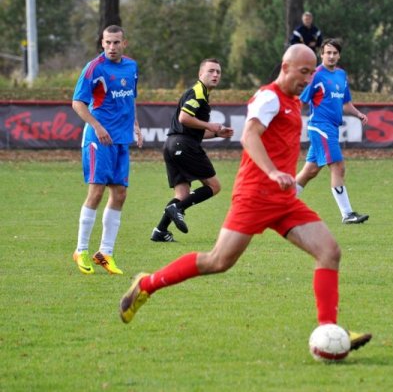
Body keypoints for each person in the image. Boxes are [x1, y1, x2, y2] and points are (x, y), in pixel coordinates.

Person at [119, 44, 372, 353]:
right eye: (303, 72)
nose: (308, 79)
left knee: (330, 252)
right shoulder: (269, 97)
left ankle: (328, 332)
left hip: (283, 200)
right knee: (218, 261)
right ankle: (146, 285)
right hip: (254, 195)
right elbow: (250, 135)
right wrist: (271, 172)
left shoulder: (293, 102)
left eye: (311, 72)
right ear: (285, 67)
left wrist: (283, 180)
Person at [71, 25, 143, 275]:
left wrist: (135, 125)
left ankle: (105, 252)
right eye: (108, 42)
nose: (112, 47)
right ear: (102, 43)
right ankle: (80, 250)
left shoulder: (131, 67)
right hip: (97, 139)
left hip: (121, 139)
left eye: (116, 42)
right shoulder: (94, 68)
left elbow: (129, 98)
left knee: (120, 194)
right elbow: (77, 103)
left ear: (125, 43)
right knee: (97, 191)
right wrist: (97, 126)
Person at [151, 58, 234, 242]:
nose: (215, 75)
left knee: (182, 195)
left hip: (172, 145)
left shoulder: (201, 94)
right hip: (184, 145)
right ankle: (177, 209)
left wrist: (217, 133)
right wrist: (210, 125)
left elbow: (193, 130)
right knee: (214, 186)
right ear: (200, 74)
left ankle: (160, 231)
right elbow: (184, 118)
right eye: (211, 71)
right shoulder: (197, 93)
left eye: (218, 72)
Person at [295, 38, 369, 224]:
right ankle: (347, 214)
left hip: (332, 128)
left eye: (335, 53)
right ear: (321, 54)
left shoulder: (341, 75)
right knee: (338, 166)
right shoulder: (316, 75)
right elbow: (301, 100)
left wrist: (358, 113)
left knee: (310, 171)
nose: (331, 56)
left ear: (339, 55)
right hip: (320, 127)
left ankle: (279, 204)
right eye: (328, 52)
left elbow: (345, 103)